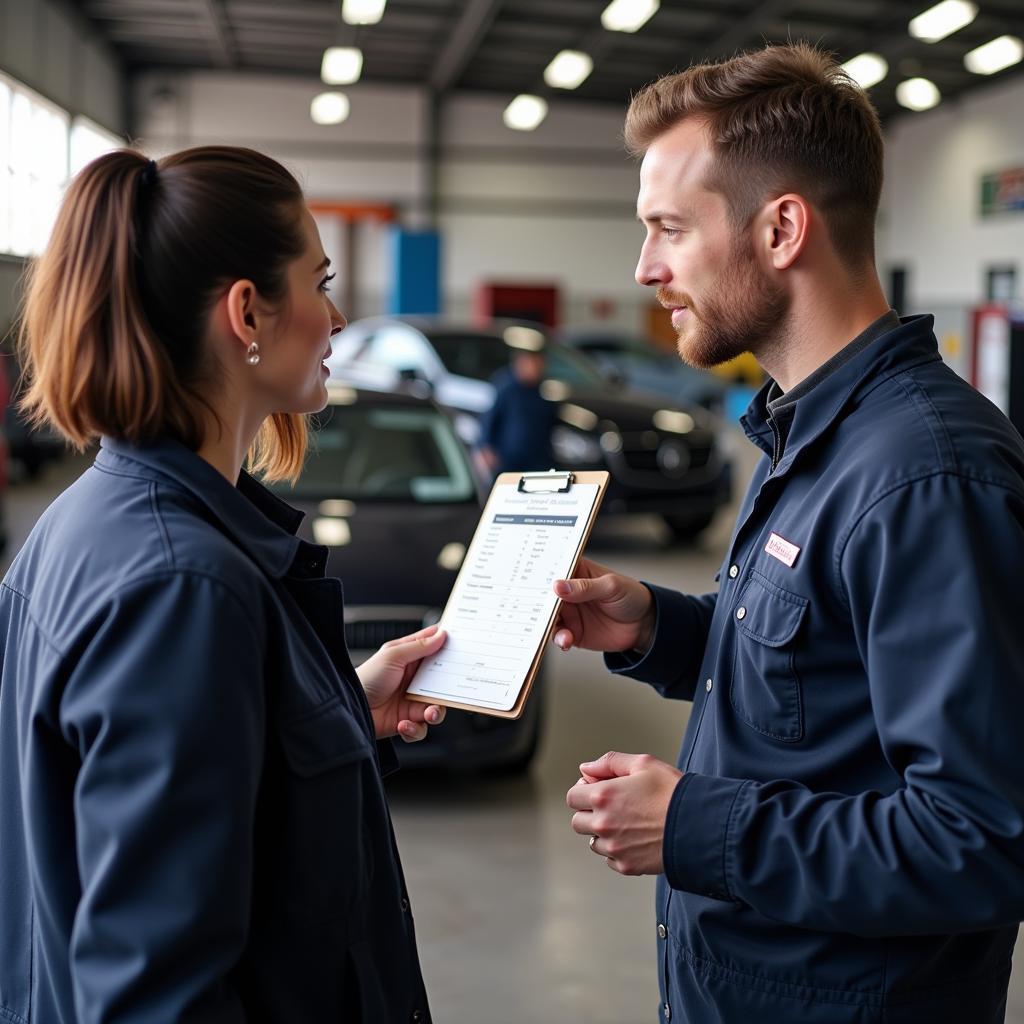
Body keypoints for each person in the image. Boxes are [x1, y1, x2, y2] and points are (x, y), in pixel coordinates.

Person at [557, 43, 1024, 1024]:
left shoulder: (925, 474)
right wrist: (653, 626)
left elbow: (979, 839)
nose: (645, 269)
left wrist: (692, 820)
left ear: (779, 229)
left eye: (668, 230)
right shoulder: (809, 430)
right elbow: (818, 681)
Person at [0, 147, 448, 1022]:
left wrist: (341, 712)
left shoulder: (83, 522)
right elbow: (155, 994)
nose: (335, 316)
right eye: (318, 282)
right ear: (247, 312)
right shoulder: (183, 587)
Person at [478, 344, 557, 476]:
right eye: (533, 363)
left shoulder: (544, 392)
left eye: (540, 364)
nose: (537, 368)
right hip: (508, 460)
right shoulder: (506, 387)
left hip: (538, 460)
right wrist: (485, 447)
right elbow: (489, 420)